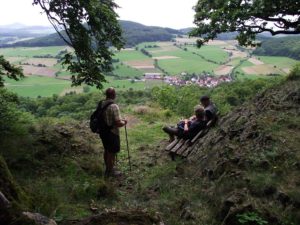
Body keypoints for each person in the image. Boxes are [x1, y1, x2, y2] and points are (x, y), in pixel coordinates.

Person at [99, 87, 127, 178]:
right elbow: (118, 123)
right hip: (112, 133)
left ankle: (107, 168)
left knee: (106, 150)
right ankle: (111, 172)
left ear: (106, 95)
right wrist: (124, 122)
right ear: (113, 95)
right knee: (112, 152)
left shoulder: (101, 104)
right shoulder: (113, 106)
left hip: (103, 132)